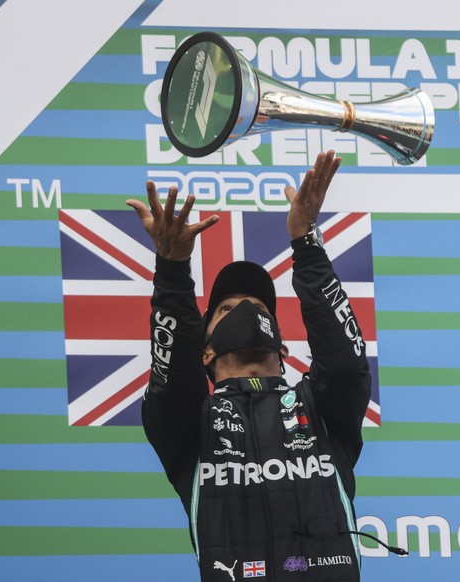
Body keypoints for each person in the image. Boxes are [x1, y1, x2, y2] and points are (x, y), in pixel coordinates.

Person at [127, 151, 393, 582]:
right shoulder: (190, 424)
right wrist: (173, 270)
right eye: (227, 309)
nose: (246, 310)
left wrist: (306, 242)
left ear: (283, 349)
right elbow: (172, 379)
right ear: (205, 352)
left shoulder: (320, 406)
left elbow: (345, 362)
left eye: (257, 306)